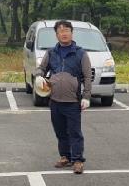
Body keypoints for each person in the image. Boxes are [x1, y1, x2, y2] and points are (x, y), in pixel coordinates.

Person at [34, 20, 92, 174]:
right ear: (56, 34)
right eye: (60, 31)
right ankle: (65, 157)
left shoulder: (81, 53)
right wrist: (39, 76)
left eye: (66, 30)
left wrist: (86, 96)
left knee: (74, 132)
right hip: (55, 100)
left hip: (73, 101)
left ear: (72, 33)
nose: (64, 33)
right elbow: (41, 68)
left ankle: (78, 160)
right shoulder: (51, 53)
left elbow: (87, 77)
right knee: (60, 131)